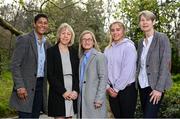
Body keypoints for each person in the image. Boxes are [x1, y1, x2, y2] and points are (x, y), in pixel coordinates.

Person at [9, 13, 51, 118]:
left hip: (40, 86)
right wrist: (19, 86)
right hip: (25, 86)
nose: (43, 25)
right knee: (25, 116)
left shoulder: (47, 44)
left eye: (45, 23)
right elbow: (15, 65)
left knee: (35, 116)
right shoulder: (24, 39)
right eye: (40, 22)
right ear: (34, 24)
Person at [137, 10, 172, 118]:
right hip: (142, 85)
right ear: (139, 23)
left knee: (149, 116)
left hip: (155, 86)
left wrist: (159, 89)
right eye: (142, 20)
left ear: (153, 22)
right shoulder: (140, 43)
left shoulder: (162, 38)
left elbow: (166, 64)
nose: (145, 22)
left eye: (148, 20)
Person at [104, 21, 137, 118]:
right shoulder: (107, 49)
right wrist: (107, 87)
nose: (115, 32)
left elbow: (127, 71)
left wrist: (116, 89)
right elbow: (103, 70)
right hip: (111, 90)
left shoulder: (129, 47)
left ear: (123, 31)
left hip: (127, 90)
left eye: (118, 30)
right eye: (112, 30)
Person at [47, 23, 79, 118]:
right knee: (59, 116)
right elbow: (50, 75)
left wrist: (76, 91)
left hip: (72, 91)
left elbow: (78, 74)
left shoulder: (74, 51)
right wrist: (63, 91)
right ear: (59, 35)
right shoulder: (51, 51)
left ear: (71, 36)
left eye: (68, 34)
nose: (66, 36)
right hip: (58, 91)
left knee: (69, 116)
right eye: (63, 33)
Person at [77, 30, 107, 118]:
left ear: (93, 42)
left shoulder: (99, 56)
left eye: (89, 39)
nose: (87, 42)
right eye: (84, 39)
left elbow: (103, 78)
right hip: (82, 99)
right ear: (81, 42)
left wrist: (99, 99)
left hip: (94, 99)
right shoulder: (81, 58)